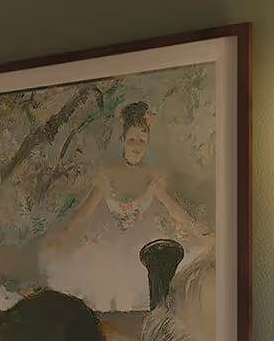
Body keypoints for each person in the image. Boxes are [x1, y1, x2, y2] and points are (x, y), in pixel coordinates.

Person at [43, 101, 211, 312]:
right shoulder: (108, 174)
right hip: (111, 241)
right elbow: (85, 213)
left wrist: (201, 231)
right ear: (123, 140)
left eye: (142, 140)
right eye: (132, 139)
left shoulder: (152, 176)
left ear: (147, 143)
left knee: (146, 283)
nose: (137, 146)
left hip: (141, 240)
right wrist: (62, 238)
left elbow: (175, 210)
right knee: (103, 285)